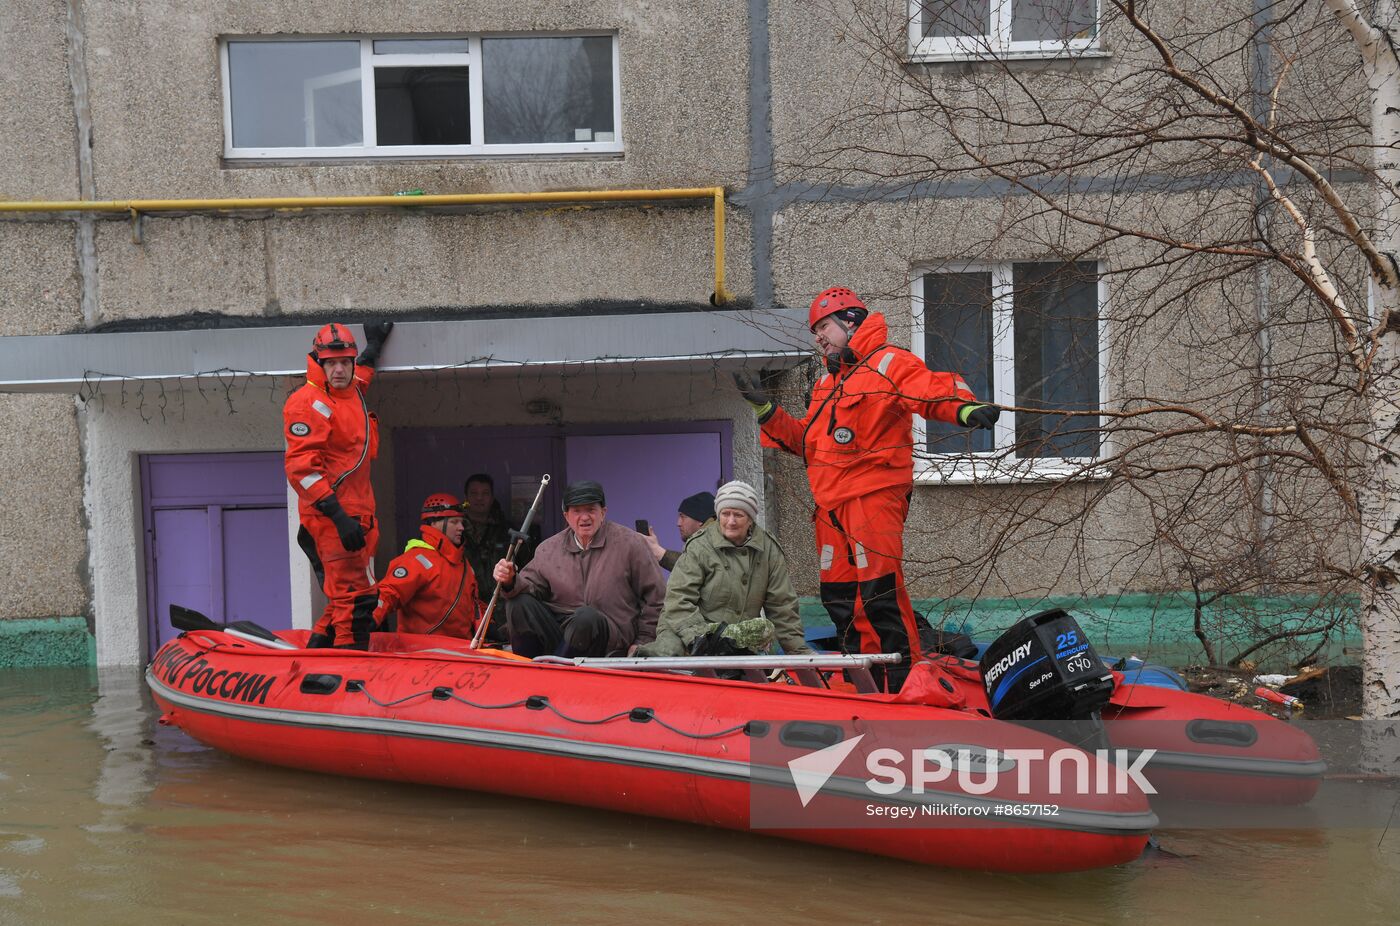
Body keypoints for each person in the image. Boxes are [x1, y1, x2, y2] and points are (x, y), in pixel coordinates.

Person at [734, 287, 997, 690]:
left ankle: (906, 681)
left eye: (823, 326)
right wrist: (766, 412)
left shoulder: (887, 362)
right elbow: (809, 444)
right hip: (830, 507)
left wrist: (963, 408)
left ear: (850, 321)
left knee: (880, 595)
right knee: (839, 599)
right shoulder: (827, 384)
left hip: (873, 496)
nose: (818, 337)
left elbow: (927, 389)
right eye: (814, 330)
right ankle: (867, 683)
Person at [284, 320, 394, 649]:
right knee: (357, 600)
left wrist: (373, 349)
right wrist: (338, 516)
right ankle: (348, 668)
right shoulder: (308, 402)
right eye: (331, 363)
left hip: (355, 516)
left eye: (345, 362)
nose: (340, 370)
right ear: (319, 364)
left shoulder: (349, 392)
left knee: (342, 597)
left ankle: (319, 650)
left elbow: (359, 379)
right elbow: (302, 470)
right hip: (332, 518)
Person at [638, 481, 813, 657]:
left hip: (733, 639)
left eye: (738, 515)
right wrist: (701, 639)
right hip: (685, 629)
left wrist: (799, 652)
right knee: (666, 658)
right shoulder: (700, 546)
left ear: (751, 519)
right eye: (725, 514)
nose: (731, 521)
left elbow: (782, 606)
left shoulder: (768, 550)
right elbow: (678, 599)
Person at [492, 480, 665, 658]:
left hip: (609, 638)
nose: (584, 518)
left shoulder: (630, 543)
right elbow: (529, 588)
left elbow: (656, 598)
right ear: (566, 516)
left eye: (591, 510)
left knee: (586, 617)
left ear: (603, 512)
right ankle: (529, 669)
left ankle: (559, 672)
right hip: (561, 633)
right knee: (518, 603)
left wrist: (643, 641)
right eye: (576, 511)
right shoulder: (549, 549)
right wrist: (510, 580)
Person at [372, 493, 483, 639]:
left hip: (461, 652)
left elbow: (474, 606)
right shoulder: (415, 560)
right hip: (422, 653)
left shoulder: (464, 564)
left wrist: (489, 625)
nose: (461, 527)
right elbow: (388, 594)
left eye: (461, 522)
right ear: (433, 523)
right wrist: (370, 620)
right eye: (454, 522)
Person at [460, 472, 533, 600]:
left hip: (502, 608)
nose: (479, 498)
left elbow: (528, 570)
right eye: (474, 493)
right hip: (466, 607)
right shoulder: (456, 530)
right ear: (466, 497)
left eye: (485, 493)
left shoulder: (508, 531)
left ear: (492, 497)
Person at [641, 491, 715, 570]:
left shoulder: (713, 543)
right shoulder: (708, 542)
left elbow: (693, 567)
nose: (678, 523)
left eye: (683, 517)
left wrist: (657, 551)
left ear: (700, 520)